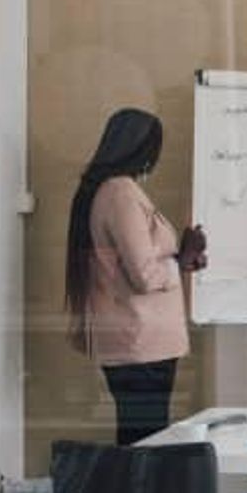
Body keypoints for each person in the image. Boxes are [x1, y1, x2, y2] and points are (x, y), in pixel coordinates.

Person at [65, 108, 207, 446]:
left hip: (136, 343)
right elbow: (143, 274)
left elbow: (133, 263)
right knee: (147, 443)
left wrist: (180, 259)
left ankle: (135, 484)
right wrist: (181, 259)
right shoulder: (121, 194)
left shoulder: (108, 190)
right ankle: (135, 486)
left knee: (141, 440)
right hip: (141, 345)